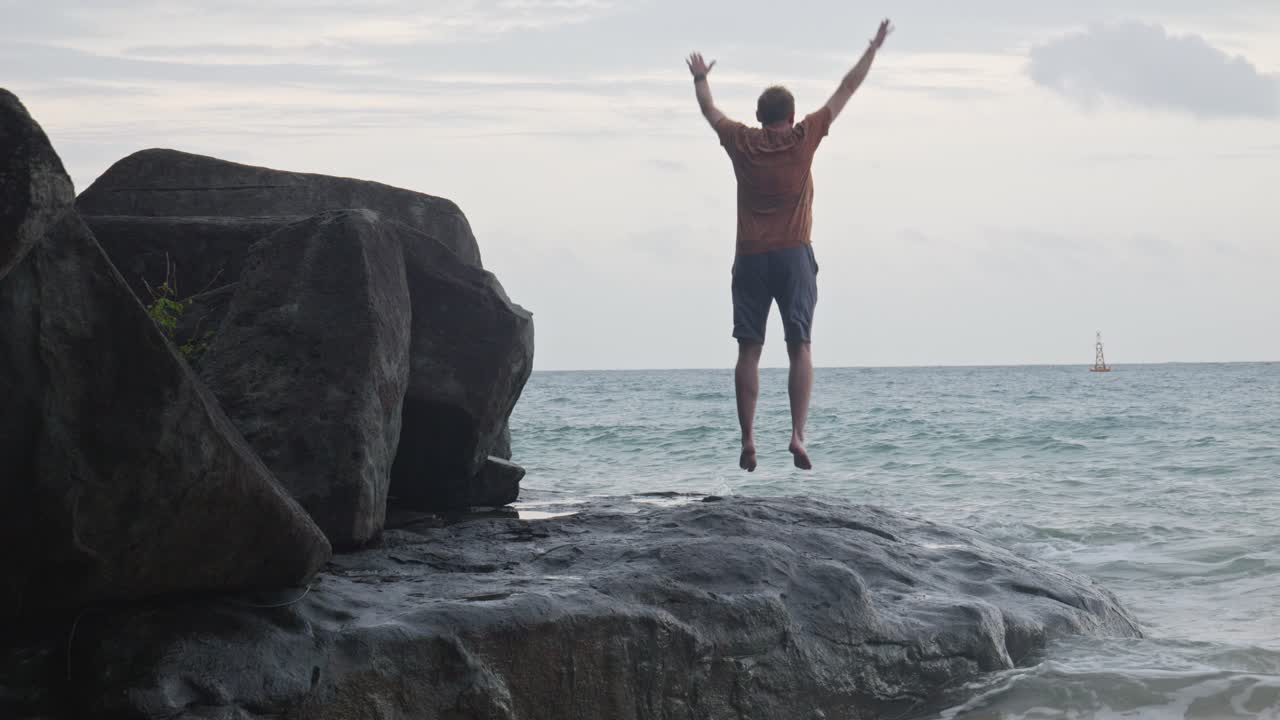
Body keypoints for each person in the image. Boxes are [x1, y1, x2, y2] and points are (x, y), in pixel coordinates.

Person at [687, 19, 892, 472]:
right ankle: (798, 434)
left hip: (751, 257)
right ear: (792, 115)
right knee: (799, 345)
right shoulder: (806, 137)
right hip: (795, 254)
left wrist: (702, 78)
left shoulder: (741, 140)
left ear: (759, 117)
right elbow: (846, 88)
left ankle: (748, 440)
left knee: (748, 350)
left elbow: (709, 110)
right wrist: (873, 48)